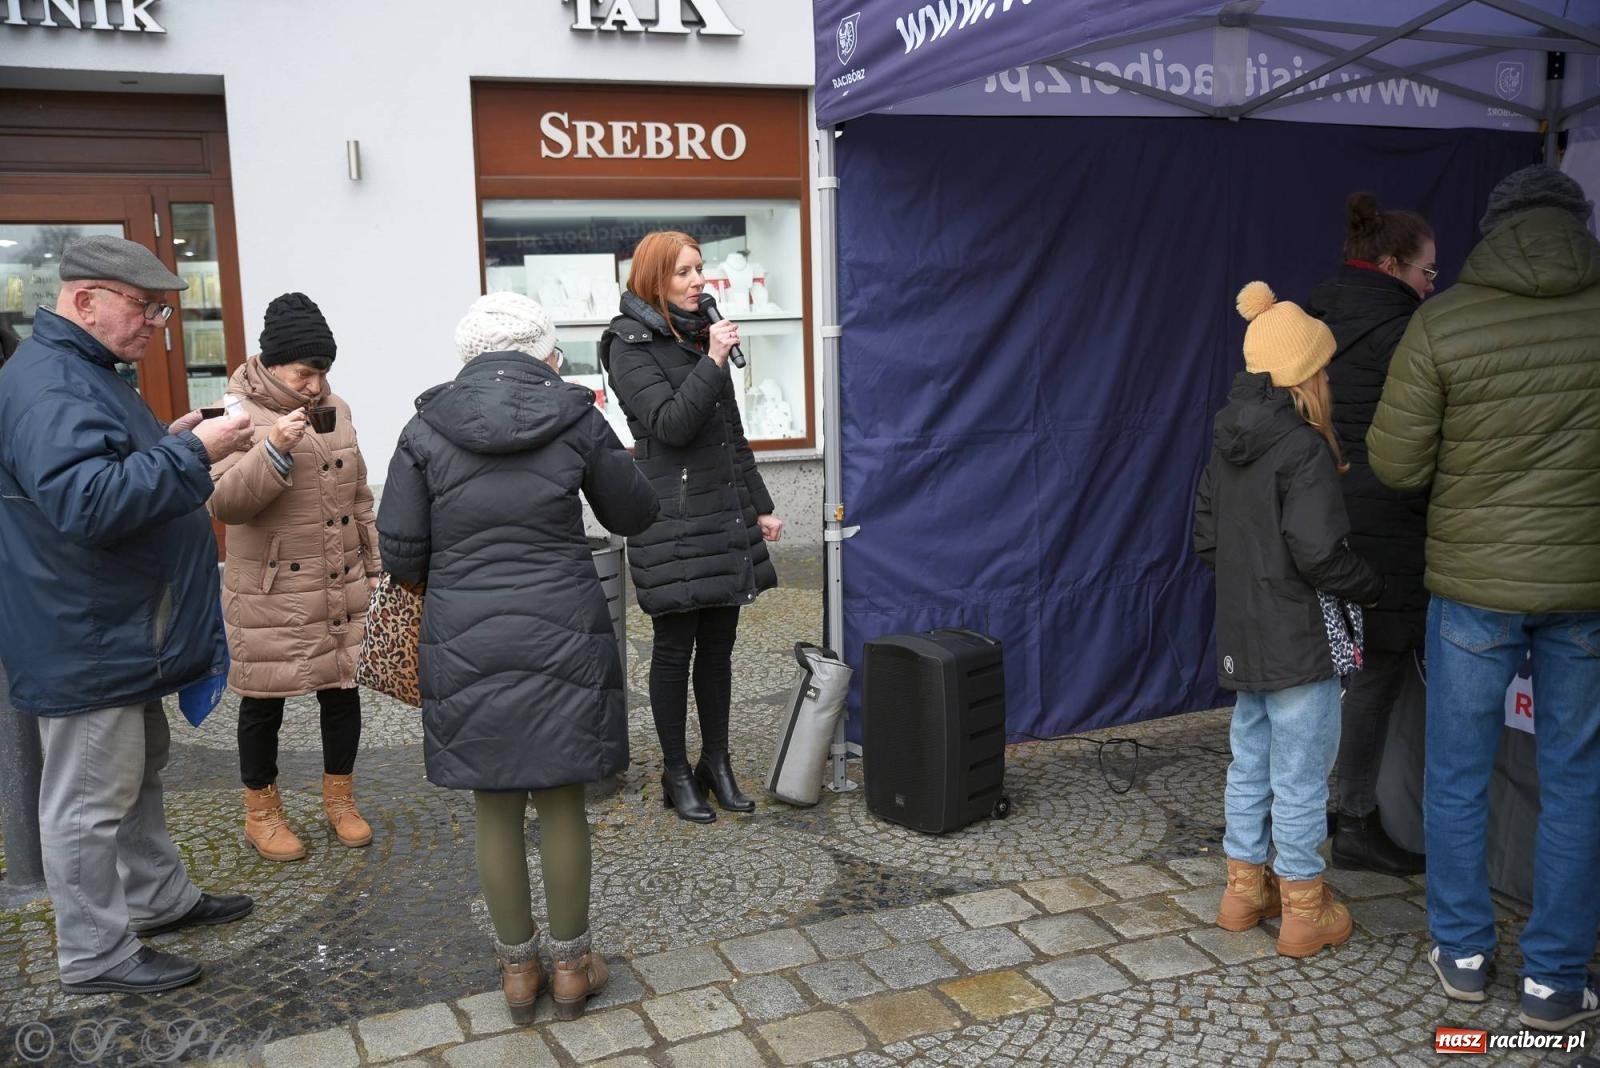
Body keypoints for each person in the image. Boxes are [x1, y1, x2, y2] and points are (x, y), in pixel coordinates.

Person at [378, 292, 656, 1023]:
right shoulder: (574, 415)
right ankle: (572, 969)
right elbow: (633, 512)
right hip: (561, 625)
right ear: (544, 352)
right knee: (562, 798)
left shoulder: (425, 426)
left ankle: (516, 976)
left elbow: (400, 551)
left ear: (468, 355)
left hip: (465, 629)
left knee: (494, 803)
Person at [1368, 164, 1600, 1031]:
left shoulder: (1445, 319)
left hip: (1471, 585)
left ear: (1493, 232)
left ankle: (1463, 957)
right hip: (1586, 586)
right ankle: (1554, 983)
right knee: (1578, 781)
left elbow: (1395, 465)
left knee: (1457, 775)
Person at [0, 235, 256, 994]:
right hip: (88, 630)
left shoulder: (79, 371)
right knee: (87, 800)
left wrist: (170, 440)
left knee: (135, 775)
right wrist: (195, 453)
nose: (154, 324)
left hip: (114, 622)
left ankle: (155, 898)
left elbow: (99, 471)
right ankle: (96, 954)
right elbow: (87, 502)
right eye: (144, 308)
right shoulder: (52, 383)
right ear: (85, 300)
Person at [1194, 281, 1384, 959]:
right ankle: (1305, 907)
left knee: (1250, 762)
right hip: (1301, 637)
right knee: (1301, 773)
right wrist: (1371, 584)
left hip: (1245, 634)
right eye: (1323, 364)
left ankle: (1242, 893)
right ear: (1304, 375)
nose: (1329, 374)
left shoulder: (1227, 440)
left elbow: (1208, 542)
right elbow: (1319, 554)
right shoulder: (1303, 448)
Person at [601, 231, 784, 824]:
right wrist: (709, 359)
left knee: (720, 650)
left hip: (723, 511)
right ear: (655, 280)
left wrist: (760, 503)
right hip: (670, 518)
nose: (698, 280)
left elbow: (730, 432)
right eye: (684, 272)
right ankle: (676, 772)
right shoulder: (626, 345)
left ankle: (717, 762)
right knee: (675, 650)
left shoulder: (698, 332)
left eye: (700, 269)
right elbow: (670, 425)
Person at [208, 293, 381, 862]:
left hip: (338, 577)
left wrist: (375, 568)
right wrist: (274, 452)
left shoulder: (339, 408)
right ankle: (262, 812)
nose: (315, 385)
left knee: (342, 690)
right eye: (305, 372)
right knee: (264, 701)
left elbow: (358, 497)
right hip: (270, 588)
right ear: (273, 362)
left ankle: (341, 800)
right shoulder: (234, 415)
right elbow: (225, 503)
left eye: (323, 372)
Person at [1304, 193, 1434, 876]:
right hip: (1386, 519)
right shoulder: (1416, 332)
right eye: (1425, 272)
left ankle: (1298, 821)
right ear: (1389, 264)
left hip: (1313, 517)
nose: (1429, 284)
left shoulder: (1310, 317)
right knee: (1376, 672)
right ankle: (1352, 816)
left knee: (1310, 677)